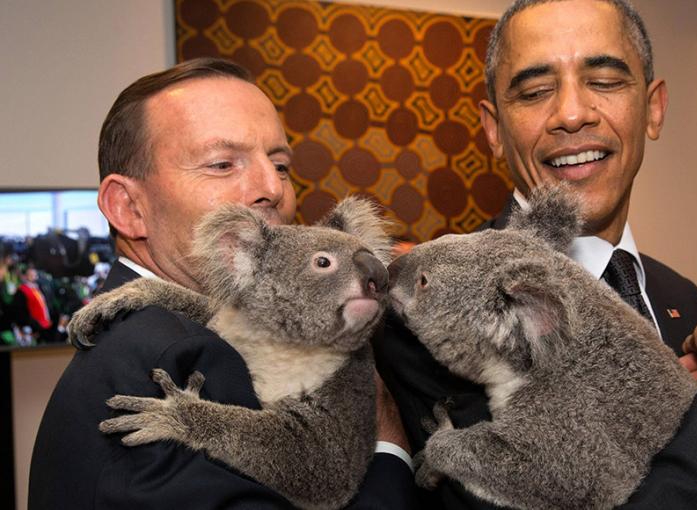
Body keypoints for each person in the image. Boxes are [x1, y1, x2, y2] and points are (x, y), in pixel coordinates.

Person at [373, 0, 697, 508]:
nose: (572, 114)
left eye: (606, 81)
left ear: (653, 108)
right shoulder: (427, 312)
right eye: (535, 91)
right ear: (494, 129)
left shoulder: (679, 295)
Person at [29, 58, 414, 509]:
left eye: (282, 166)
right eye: (221, 164)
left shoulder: (189, 326)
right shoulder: (167, 362)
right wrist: (390, 447)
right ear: (128, 208)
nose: (271, 186)